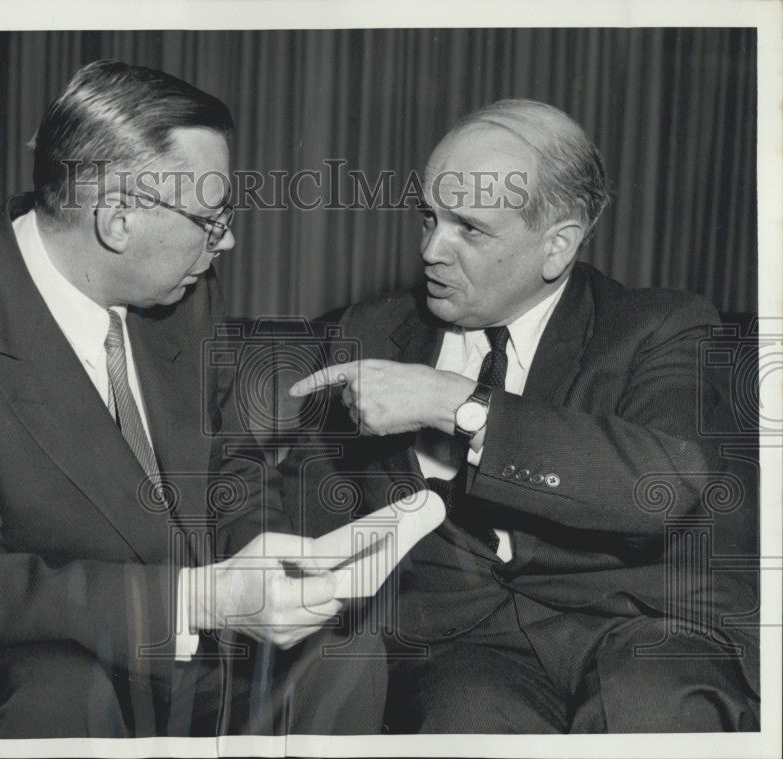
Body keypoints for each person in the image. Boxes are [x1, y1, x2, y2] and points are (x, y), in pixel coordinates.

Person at [0, 60, 385, 738]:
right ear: (117, 219)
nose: (227, 241)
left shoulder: (182, 293)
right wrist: (198, 599)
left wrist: (262, 562)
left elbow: (230, 465)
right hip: (5, 661)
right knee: (63, 692)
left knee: (344, 648)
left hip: (174, 637)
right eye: (211, 220)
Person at [287, 99, 759, 733]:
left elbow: (660, 487)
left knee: (656, 710)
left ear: (557, 244)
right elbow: (308, 505)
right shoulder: (371, 330)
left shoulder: (660, 327)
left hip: (638, 623)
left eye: (469, 229)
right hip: (461, 642)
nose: (431, 250)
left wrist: (450, 401)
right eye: (428, 218)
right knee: (466, 724)